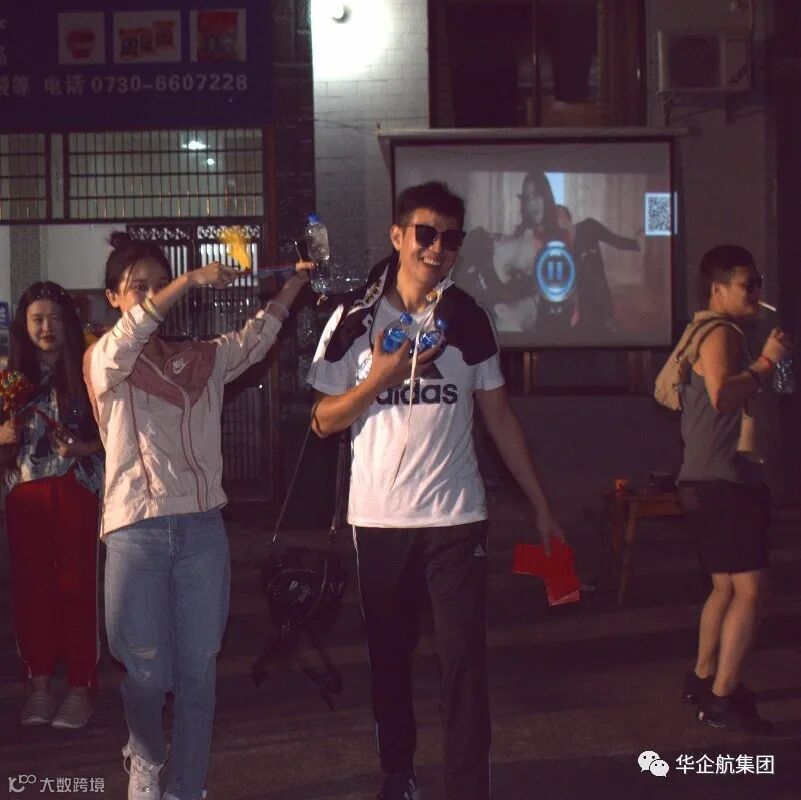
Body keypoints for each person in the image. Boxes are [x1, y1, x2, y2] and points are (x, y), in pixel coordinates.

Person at [307, 182, 564, 800]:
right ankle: (399, 773)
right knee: (389, 658)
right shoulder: (354, 319)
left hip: (456, 516)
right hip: (379, 520)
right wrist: (381, 376)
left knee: (464, 662)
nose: (437, 248)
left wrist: (541, 506)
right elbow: (321, 421)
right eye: (425, 234)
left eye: (451, 238)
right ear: (398, 236)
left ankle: (469, 786)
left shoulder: (469, 319)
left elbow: (499, 417)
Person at [84, 232, 311, 800]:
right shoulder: (106, 359)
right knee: (145, 672)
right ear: (113, 297)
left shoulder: (202, 358)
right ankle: (146, 755)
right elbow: (129, 336)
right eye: (138, 287)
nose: (151, 297)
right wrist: (187, 281)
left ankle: (188, 787)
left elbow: (257, 337)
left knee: (198, 672)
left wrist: (295, 284)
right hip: (136, 531)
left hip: (203, 529)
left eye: (159, 285)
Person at [676, 244, 792, 734]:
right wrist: (766, 363)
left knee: (725, 586)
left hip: (710, 479)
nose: (757, 292)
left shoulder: (713, 330)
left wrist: (770, 363)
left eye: (758, 283)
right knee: (753, 591)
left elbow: (766, 391)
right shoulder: (720, 332)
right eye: (748, 285)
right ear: (718, 289)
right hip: (724, 482)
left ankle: (704, 678)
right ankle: (722, 698)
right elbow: (723, 395)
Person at [0, 281, 104, 729]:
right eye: (37, 319)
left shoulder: (91, 369)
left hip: (77, 488)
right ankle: (38, 685)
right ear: (23, 325)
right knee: (31, 588)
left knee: (77, 586)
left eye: (56, 318)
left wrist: (85, 448)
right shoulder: (7, 373)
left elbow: (118, 429)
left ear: (69, 323)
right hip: (24, 493)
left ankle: (80, 688)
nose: (47, 327)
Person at [555, 204, 642, 335]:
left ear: (567, 214)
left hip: (599, 291)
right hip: (581, 296)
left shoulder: (588, 226)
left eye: (559, 213)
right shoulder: (560, 246)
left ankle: (609, 319)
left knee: (589, 263)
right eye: (554, 217)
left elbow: (615, 241)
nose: (557, 218)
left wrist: (638, 243)